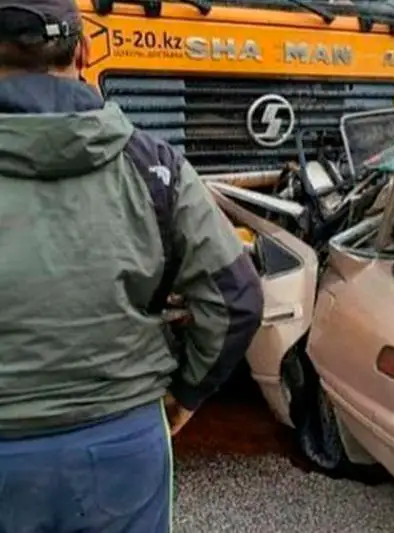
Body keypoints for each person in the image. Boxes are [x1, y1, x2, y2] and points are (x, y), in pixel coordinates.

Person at [0, 1, 265, 532]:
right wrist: (186, 394)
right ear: (84, 51)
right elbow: (236, 297)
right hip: (122, 441)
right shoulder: (153, 164)